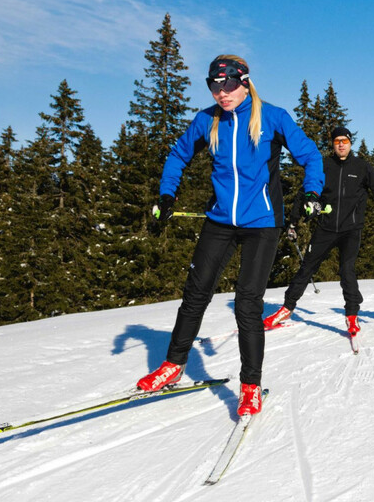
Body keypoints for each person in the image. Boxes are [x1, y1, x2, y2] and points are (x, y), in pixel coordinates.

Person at [136, 55, 325, 416]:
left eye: (228, 84)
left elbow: (311, 156)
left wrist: (312, 192)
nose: (221, 92)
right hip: (220, 219)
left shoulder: (272, 117)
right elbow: (178, 155)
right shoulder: (207, 120)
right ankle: (173, 365)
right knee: (195, 293)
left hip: (262, 222)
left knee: (247, 303)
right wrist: (166, 194)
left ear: (244, 81)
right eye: (214, 85)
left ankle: (250, 385)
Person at [262, 126, 374, 336]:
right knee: (307, 268)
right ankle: (286, 308)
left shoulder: (362, 167)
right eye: (337, 141)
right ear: (332, 144)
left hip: (351, 229)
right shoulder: (322, 165)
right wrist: (293, 223)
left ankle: (351, 315)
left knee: (346, 270)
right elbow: (303, 193)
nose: (341, 144)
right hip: (326, 227)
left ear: (350, 143)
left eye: (345, 141)